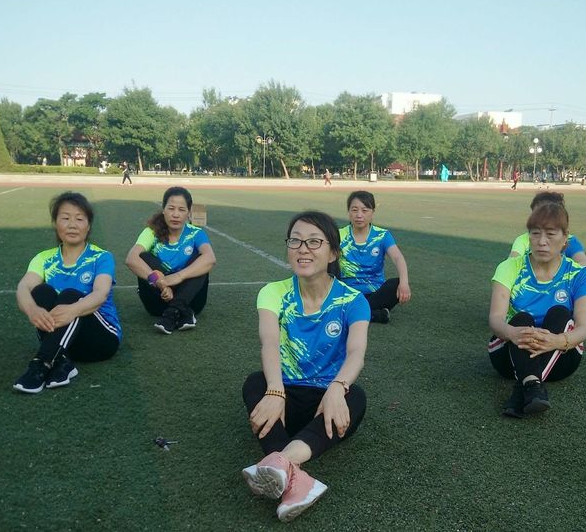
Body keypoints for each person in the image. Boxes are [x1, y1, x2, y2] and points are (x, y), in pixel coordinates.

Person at [241, 211, 370, 522]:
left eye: (314, 242)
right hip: (284, 396)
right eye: (296, 241)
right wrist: (275, 390)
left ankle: (280, 462)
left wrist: (337, 388)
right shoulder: (273, 292)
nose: (303, 249)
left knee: (356, 397)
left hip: (326, 401)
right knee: (255, 384)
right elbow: (269, 343)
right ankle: (297, 479)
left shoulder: (353, 300)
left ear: (333, 253)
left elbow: (356, 353)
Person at [488, 201, 586, 417]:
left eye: (550, 234)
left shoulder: (580, 275)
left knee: (559, 313)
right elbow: (496, 319)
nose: (542, 242)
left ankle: (525, 386)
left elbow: (583, 329)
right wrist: (512, 333)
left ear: (565, 239)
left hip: (561, 358)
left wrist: (556, 341)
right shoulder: (509, 267)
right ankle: (532, 386)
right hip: (510, 356)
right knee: (522, 318)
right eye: (535, 234)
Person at [13, 192, 122, 394]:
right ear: (56, 223)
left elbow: (100, 294)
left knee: (71, 295)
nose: (72, 225)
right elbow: (23, 287)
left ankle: (42, 363)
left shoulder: (101, 257)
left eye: (79, 219)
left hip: (101, 340)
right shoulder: (44, 258)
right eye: (65, 218)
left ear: (88, 226)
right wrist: (32, 310)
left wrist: (73, 310)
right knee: (41, 291)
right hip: (65, 342)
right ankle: (61, 361)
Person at [125, 187, 216, 334]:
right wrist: (160, 283)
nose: (175, 214)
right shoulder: (151, 232)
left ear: (189, 212)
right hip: (157, 302)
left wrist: (178, 277)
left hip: (193, 301)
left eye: (181, 209)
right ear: (163, 210)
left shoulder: (196, 233)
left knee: (202, 259)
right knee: (143, 257)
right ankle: (181, 311)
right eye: (171, 208)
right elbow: (131, 259)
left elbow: (210, 258)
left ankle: (173, 311)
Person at [338, 191, 411, 323]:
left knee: (396, 284)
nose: (359, 215)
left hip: (375, 292)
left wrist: (404, 283)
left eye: (364, 210)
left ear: (372, 212)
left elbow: (398, 258)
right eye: (354, 210)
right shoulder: (339, 235)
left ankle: (351, 312)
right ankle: (374, 315)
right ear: (348, 211)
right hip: (347, 291)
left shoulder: (382, 235)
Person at [509, 191, 586, 268]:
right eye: (537, 213)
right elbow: (512, 262)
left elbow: (583, 264)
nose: (542, 242)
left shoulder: (570, 240)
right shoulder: (523, 240)